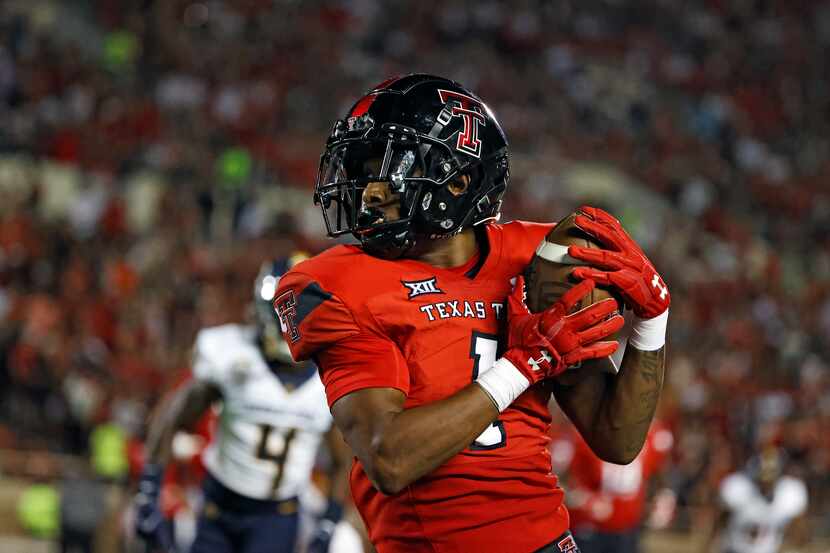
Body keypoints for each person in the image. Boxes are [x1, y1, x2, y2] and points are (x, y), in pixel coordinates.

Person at [274, 74, 671, 553]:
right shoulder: (337, 284)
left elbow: (618, 440)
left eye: (387, 168)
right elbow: (390, 459)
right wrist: (526, 365)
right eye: (361, 169)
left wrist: (652, 325)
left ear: (458, 180)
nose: (367, 193)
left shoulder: (537, 261)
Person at [134, 255, 354, 553]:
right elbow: (173, 414)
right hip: (220, 505)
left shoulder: (329, 378)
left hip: (277, 515)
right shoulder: (230, 353)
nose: (289, 325)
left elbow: (343, 460)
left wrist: (330, 520)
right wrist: (149, 490)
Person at [550, 420, 674, 553]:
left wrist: (663, 496)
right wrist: (584, 500)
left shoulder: (652, 436)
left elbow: (659, 472)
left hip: (628, 528)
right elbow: (553, 478)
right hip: (588, 528)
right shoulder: (580, 437)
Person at [703, 447, 808, 553]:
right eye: (763, 478)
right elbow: (720, 521)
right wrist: (708, 546)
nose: (766, 483)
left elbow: (798, 533)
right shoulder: (738, 488)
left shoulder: (789, 493)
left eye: (771, 477)